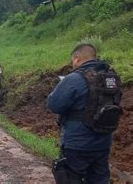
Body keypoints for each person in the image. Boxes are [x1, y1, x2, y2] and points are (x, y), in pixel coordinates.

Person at [48, 43, 122, 183]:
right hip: (103, 143)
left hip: (77, 143)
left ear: (77, 58)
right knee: (99, 180)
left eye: (72, 61)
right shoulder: (111, 78)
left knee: (70, 178)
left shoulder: (75, 78)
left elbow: (54, 104)